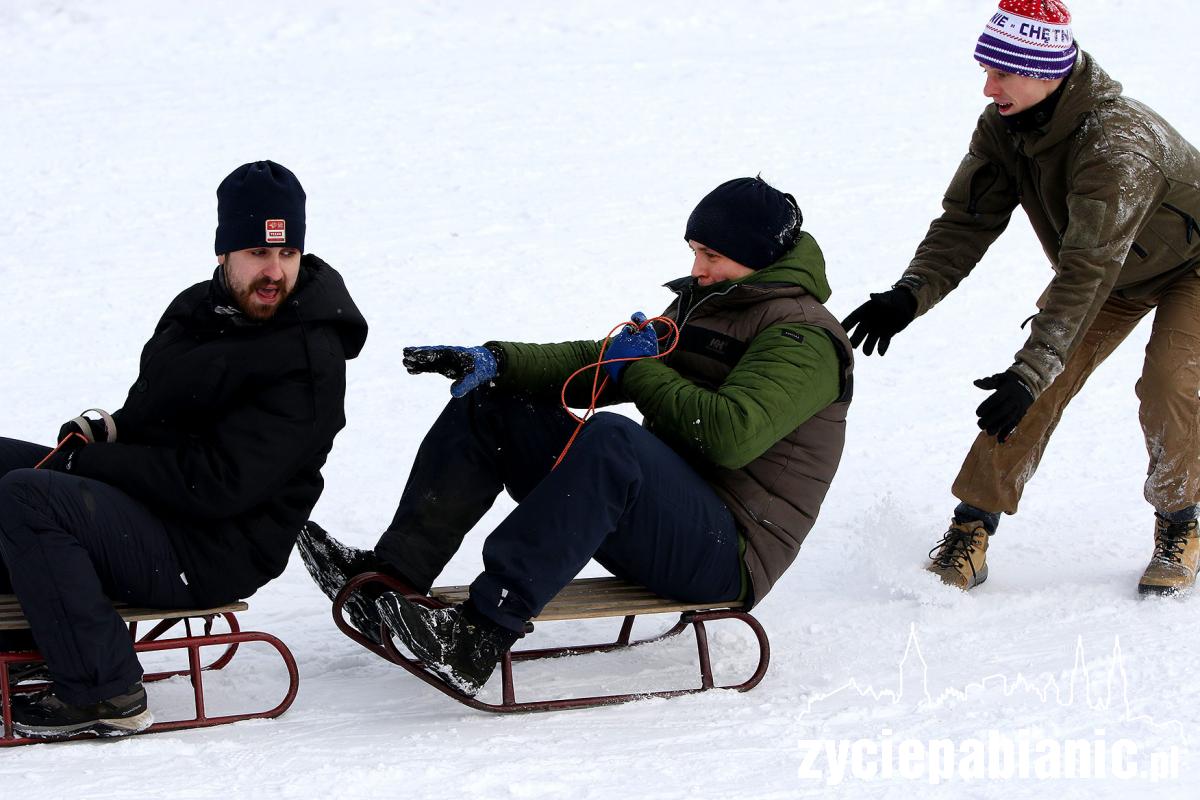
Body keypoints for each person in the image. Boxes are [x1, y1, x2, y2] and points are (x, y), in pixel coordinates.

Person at [298, 176, 853, 696]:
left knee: (613, 441)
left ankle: (480, 635)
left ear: (758, 260)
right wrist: (499, 361)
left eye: (712, 256)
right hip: (662, 515)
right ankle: (392, 579)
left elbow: (730, 434)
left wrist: (636, 369)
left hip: (729, 551)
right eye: (694, 251)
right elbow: (602, 361)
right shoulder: (709, 303)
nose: (697, 267)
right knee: (493, 405)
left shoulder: (803, 338)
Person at [842, 0, 1200, 594]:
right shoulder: (1005, 125)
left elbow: (1085, 269)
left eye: (1001, 73)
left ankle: (1181, 520)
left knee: (1168, 380)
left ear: (1047, 73)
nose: (987, 87)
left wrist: (1031, 369)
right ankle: (972, 528)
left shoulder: (1117, 147)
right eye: (985, 69)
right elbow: (966, 220)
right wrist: (910, 294)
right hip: (1111, 270)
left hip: (1190, 264)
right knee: (1035, 388)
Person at [0, 161, 367, 738]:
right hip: (158, 516)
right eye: (257, 253)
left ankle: (104, 693)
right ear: (224, 253)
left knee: (29, 496)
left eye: (288, 254)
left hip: (209, 549)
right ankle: (34, 638)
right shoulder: (198, 311)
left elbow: (221, 483)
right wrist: (111, 433)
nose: (274, 272)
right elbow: (154, 416)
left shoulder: (308, 357)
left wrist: (91, 464)